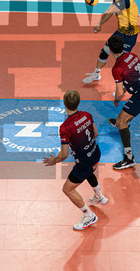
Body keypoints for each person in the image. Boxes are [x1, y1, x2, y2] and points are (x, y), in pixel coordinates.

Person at [43, 90, 106, 230]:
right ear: (78, 102)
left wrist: (54, 160)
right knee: (90, 172)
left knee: (68, 189)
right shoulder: (87, 115)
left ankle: (89, 216)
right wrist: (82, 146)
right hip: (96, 153)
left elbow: (64, 154)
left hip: (84, 163)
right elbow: (95, 133)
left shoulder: (65, 127)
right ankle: (99, 196)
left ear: (64, 103)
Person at [107, 35, 140, 170]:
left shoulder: (117, 68)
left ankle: (129, 159)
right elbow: (133, 78)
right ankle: (123, 122)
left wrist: (116, 100)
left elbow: (119, 93)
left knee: (120, 122)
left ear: (110, 50)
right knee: (122, 118)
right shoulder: (132, 55)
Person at [83, 0, 139, 84]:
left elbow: (109, 11)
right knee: (105, 50)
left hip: (129, 36)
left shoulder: (126, 1)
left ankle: (124, 84)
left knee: (123, 61)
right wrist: (100, 23)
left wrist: (99, 22)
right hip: (120, 32)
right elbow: (110, 13)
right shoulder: (118, 0)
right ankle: (96, 74)